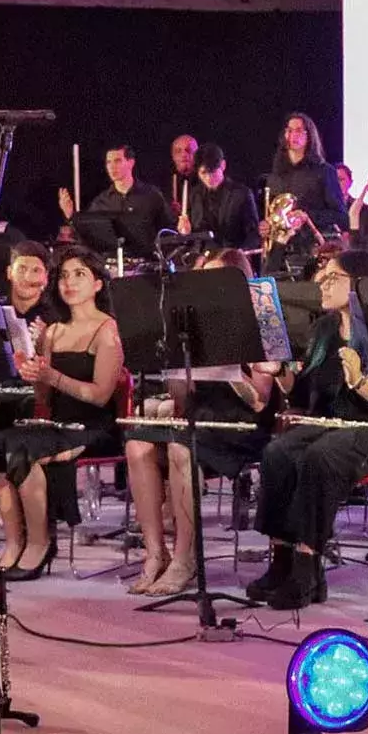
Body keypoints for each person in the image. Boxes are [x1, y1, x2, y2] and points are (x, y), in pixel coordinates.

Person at [246, 250, 368, 610]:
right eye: (322, 276)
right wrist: (279, 371)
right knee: (278, 451)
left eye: (332, 278)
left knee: (320, 456)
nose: (321, 284)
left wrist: (360, 381)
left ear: (360, 283)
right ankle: (281, 559)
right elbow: (305, 392)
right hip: (334, 425)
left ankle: (308, 566)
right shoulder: (324, 328)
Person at [121, 249, 277, 596]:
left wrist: (228, 369)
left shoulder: (261, 318)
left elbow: (260, 399)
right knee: (137, 444)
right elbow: (181, 397)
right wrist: (181, 366)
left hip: (241, 424)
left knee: (180, 447)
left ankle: (185, 558)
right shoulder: (192, 323)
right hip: (197, 415)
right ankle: (154, 554)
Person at [0, 246, 123, 582]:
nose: (69, 282)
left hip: (94, 426)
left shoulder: (107, 330)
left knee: (26, 451)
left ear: (97, 284)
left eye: (79, 274)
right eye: (64, 275)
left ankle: (40, 542)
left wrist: (54, 377)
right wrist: (32, 371)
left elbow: (101, 395)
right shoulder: (52, 331)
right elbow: (44, 398)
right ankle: (14, 540)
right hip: (56, 423)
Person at [59, 145, 173, 259]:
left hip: (147, 265)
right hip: (113, 266)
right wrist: (71, 216)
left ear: (131, 163)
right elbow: (88, 240)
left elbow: (169, 230)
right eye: (108, 162)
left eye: (117, 161)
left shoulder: (151, 195)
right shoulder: (100, 202)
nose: (112, 167)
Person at [264, 113, 347, 237]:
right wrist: (267, 226)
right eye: (289, 131)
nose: (293, 135)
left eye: (299, 131)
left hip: (313, 245)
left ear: (310, 136)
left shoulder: (324, 171)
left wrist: (308, 216)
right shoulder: (275, 176)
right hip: (282, 248)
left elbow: (341, 216)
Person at [178, 143, 260, 251]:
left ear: (223, 165)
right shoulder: (194, 195)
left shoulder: (241, 193)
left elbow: (253, 234)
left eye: (212, 172)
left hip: (230, 256)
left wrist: (240, 252)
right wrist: (185, 232)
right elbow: (190, 240)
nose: (208, 178)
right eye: (203, 173)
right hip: (201, 258)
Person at [167, 134, 199, 210]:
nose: (184, 154)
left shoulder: (205, 182)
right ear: (173, 156)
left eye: (189, 150)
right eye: (178, 151)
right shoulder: (163, 183)